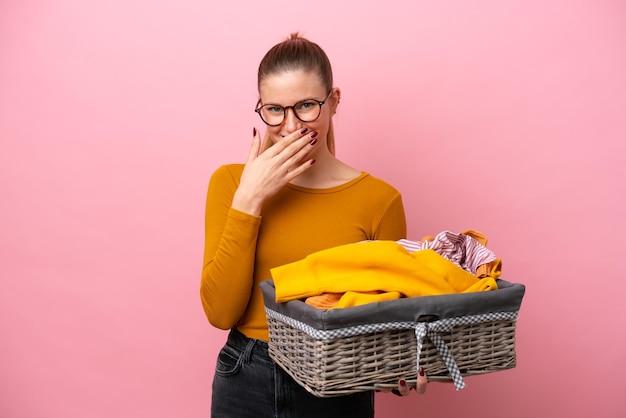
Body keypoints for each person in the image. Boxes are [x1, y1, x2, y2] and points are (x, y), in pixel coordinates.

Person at [200, 33, 427, 418]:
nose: (290, 126)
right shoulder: (230, 184)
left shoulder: (379, 200)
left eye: (306, 105)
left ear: (334, 101)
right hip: (247, 376)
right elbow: (221, 314)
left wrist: (398, 370)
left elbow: (385, 318)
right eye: (274, 109)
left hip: (339, 380)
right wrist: (250, 199)